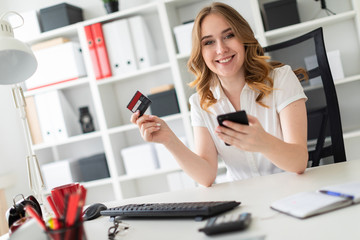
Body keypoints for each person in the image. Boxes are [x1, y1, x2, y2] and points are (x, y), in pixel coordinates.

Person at [130, 2, 308, 187]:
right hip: (243, 199)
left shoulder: (281, 79)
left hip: (290, 191)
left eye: (229, 36)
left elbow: (299, 162)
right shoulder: (200, 102)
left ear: (243, 38)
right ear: (201, 53)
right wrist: (169, 140)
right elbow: (206, 176)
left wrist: (264, 143)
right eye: (209, 42)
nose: (221, 49)